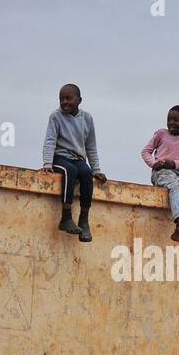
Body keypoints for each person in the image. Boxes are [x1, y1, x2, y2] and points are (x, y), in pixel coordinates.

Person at [41, 84, 106, 242]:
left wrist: (96, 169)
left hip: (78, 158)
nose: (64, 102)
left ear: (79, 100)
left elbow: (91, 146)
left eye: (68, 98)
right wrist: (47, 164)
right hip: (60, 157)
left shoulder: (87, 118)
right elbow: (50, 141)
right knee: (70, 170)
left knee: (85, 173)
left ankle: (84, 220)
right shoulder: (55, 117)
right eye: (61, 99)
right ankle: (66, 217)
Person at [140, 105, 179, 245]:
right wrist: (154, 163)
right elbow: (145, 152)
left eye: (176, 120)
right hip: (161, 172)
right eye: (169, 120)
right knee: (175, 182)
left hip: (178, 172)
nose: (171, 123)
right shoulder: (161, 134)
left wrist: (174, 164)